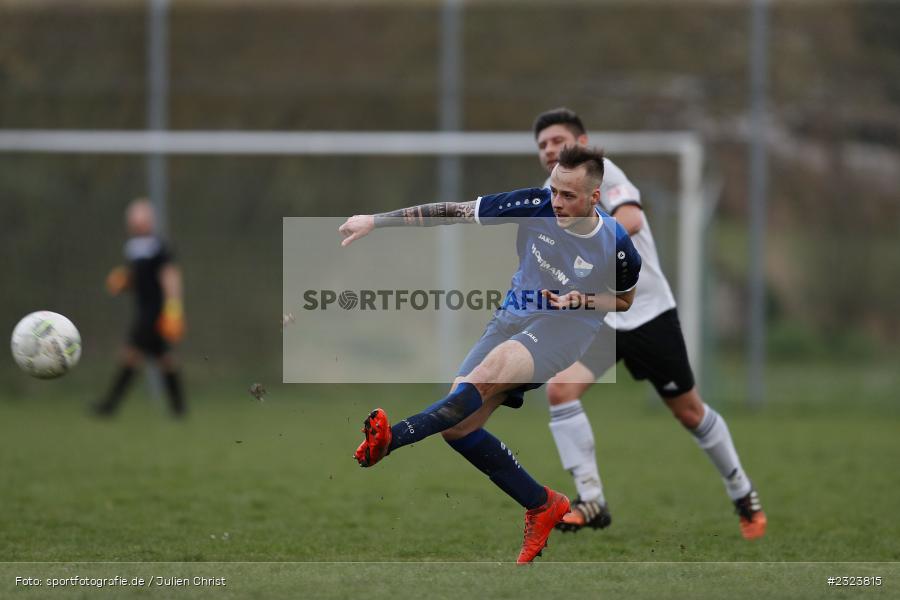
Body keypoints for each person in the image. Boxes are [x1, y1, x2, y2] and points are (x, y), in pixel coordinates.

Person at [339, 146, 641, 563]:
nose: (557, 202)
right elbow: (453, 211)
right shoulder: (533, 204)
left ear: (594, 198)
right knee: (457, 426)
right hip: (510, 319)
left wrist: (581, 299)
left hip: (563, 329)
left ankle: (392, 440)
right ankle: (542, 503)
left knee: (485, 377)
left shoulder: (617, 245)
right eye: (555, 190)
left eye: (569, 195)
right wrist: (376, 220)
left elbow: (624, 300)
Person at [533, 108, 766, 540]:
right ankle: (591, 498)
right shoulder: (554, 193)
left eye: (558, 141)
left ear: (581, 143)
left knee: (690, 413)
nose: (550, 150)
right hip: (602, 318)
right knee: (560, 390)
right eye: (543, 144)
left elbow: (632, 219)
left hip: (648, 314)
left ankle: (741, 490)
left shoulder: (605, 175)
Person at [93, 199, 187, 418]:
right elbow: (138, 280)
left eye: (141, 219)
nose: (136, 223)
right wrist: (123, 282)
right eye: (133, 219)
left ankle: (109, 406)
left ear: (150, 221)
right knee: (165, 360)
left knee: (130, 355)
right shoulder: (133, 248)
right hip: (143, 309)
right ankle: (179, 410)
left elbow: (170, 277)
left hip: (155, 312)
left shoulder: (159, 246)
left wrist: (174, 309)